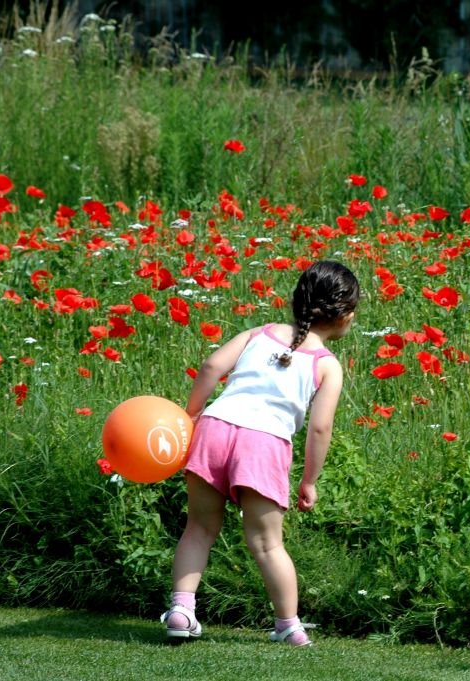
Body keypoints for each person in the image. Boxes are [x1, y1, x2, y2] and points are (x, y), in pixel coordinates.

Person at [160, 260, 360, 647]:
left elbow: (211, 366)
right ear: (344, 314)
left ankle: (182, 610)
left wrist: (191, 415)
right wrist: (309, 481)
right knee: (267, 543)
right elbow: (320, 428)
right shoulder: (327, 365)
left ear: (297, 300)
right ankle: (289, 626)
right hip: (264, 444)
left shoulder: (259, 333)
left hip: (215, 428)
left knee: (198, 528)